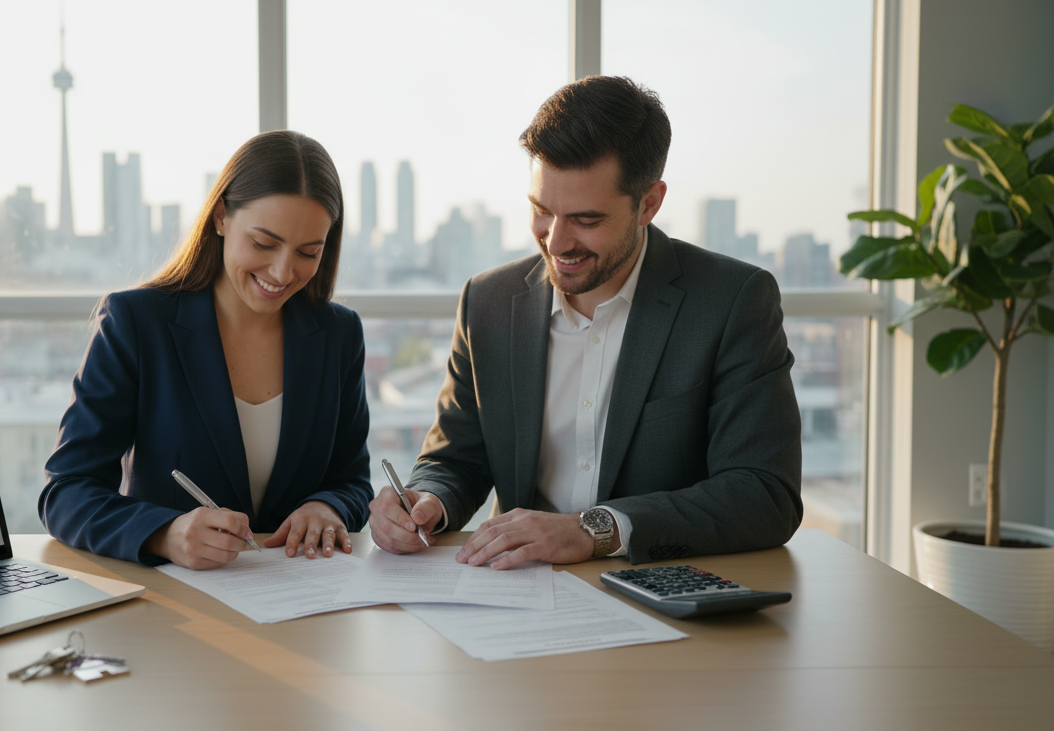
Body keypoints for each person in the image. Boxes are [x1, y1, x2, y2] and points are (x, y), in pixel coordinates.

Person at [368, 76, 802, 569]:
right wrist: (426, 501)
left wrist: (591, 530)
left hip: (658, 590)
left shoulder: (731, 301)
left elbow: (764, 493)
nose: (555, 242)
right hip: (513, 593)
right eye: (541, 211)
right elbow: (455, 458)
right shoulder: (487, 301)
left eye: (586, 220)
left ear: (649, 203)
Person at [41, 130, 372, 569]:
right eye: (263, 243)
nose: (282, 271)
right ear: (220, 216)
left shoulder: (338, 333)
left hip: (305, 602)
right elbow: (66, 490)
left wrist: (328, 508)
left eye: (308, 252)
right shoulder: (136, 323)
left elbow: (351, 480)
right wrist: (163, 533)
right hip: (178, 608)